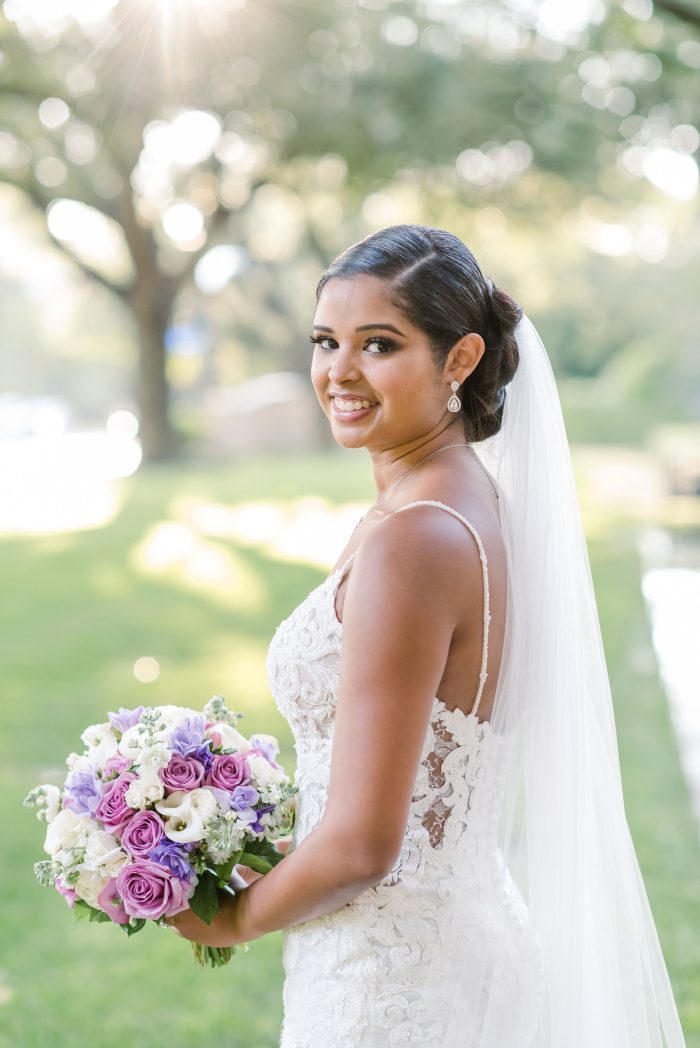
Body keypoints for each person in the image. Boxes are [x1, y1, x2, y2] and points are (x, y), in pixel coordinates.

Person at [169, 225, 686, 1047]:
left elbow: (363, 846)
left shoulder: (414, 539)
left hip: (389, 982)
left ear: (461, 359)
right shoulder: (463, 506)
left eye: (379, 344)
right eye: (326, 341)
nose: (340, 371)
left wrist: (231, 919)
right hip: (445, 941)